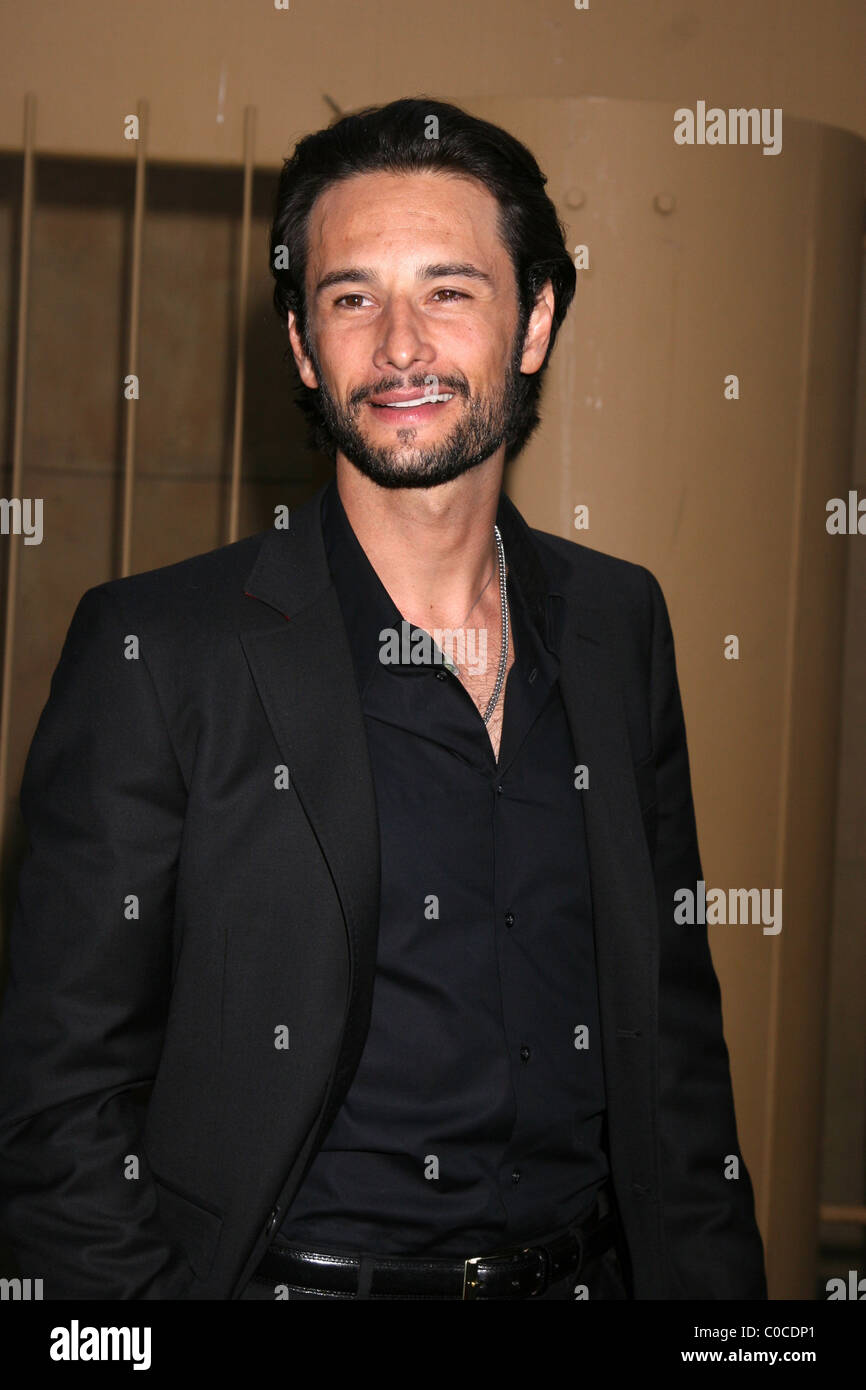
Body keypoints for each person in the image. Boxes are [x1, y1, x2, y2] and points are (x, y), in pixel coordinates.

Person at [0, 96, 767, 1301]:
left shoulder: (619, 624)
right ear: (305, 348)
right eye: (351, 297)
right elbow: (60, 1095)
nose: (400, 346)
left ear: (534, 322)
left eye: (449, 290)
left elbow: (673, 1044)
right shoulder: (159, 648)